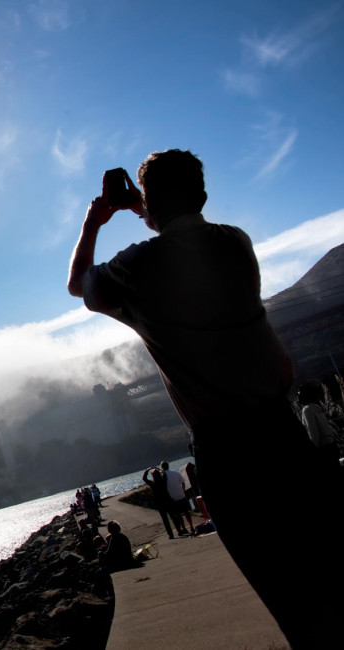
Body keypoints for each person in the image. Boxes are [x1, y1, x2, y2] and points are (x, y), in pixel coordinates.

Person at [67, 149, 344, 649]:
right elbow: (183, 236)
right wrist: (144, 207)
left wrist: (96, 218)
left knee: (291, 603)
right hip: (284, 437)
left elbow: (78, 284)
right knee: (334, 582)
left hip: (228, 457)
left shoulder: (136, 268)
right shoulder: (236, 244)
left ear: (151, 202)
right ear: (203, 195)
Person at [297, 383, 340, 471]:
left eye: (299, 393)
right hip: (332, 447)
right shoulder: (316, 407)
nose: (298, 397)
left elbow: (313, 433)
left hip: (324, 450)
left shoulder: (307, 410)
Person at [141, 467, 185, 539]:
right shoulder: (163, 482)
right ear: (159, 475)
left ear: (153, 476)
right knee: (173, 517)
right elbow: (164, 474)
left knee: (165, 520)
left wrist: (147, 470)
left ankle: (170, 535)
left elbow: (144, 478)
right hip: (168, 500)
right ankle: (179, 531)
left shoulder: (153, 484)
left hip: (160, 503)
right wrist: (158, 468)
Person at [160, 460, 194, 534]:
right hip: (181, 495)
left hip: (173, 498)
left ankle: (184, 528)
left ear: (162, 467)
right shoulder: (175, 473)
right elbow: (183, 482)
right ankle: (191, 526)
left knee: (178, 515)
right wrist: (183, 490)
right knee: (186, 512)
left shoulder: (163, 476)